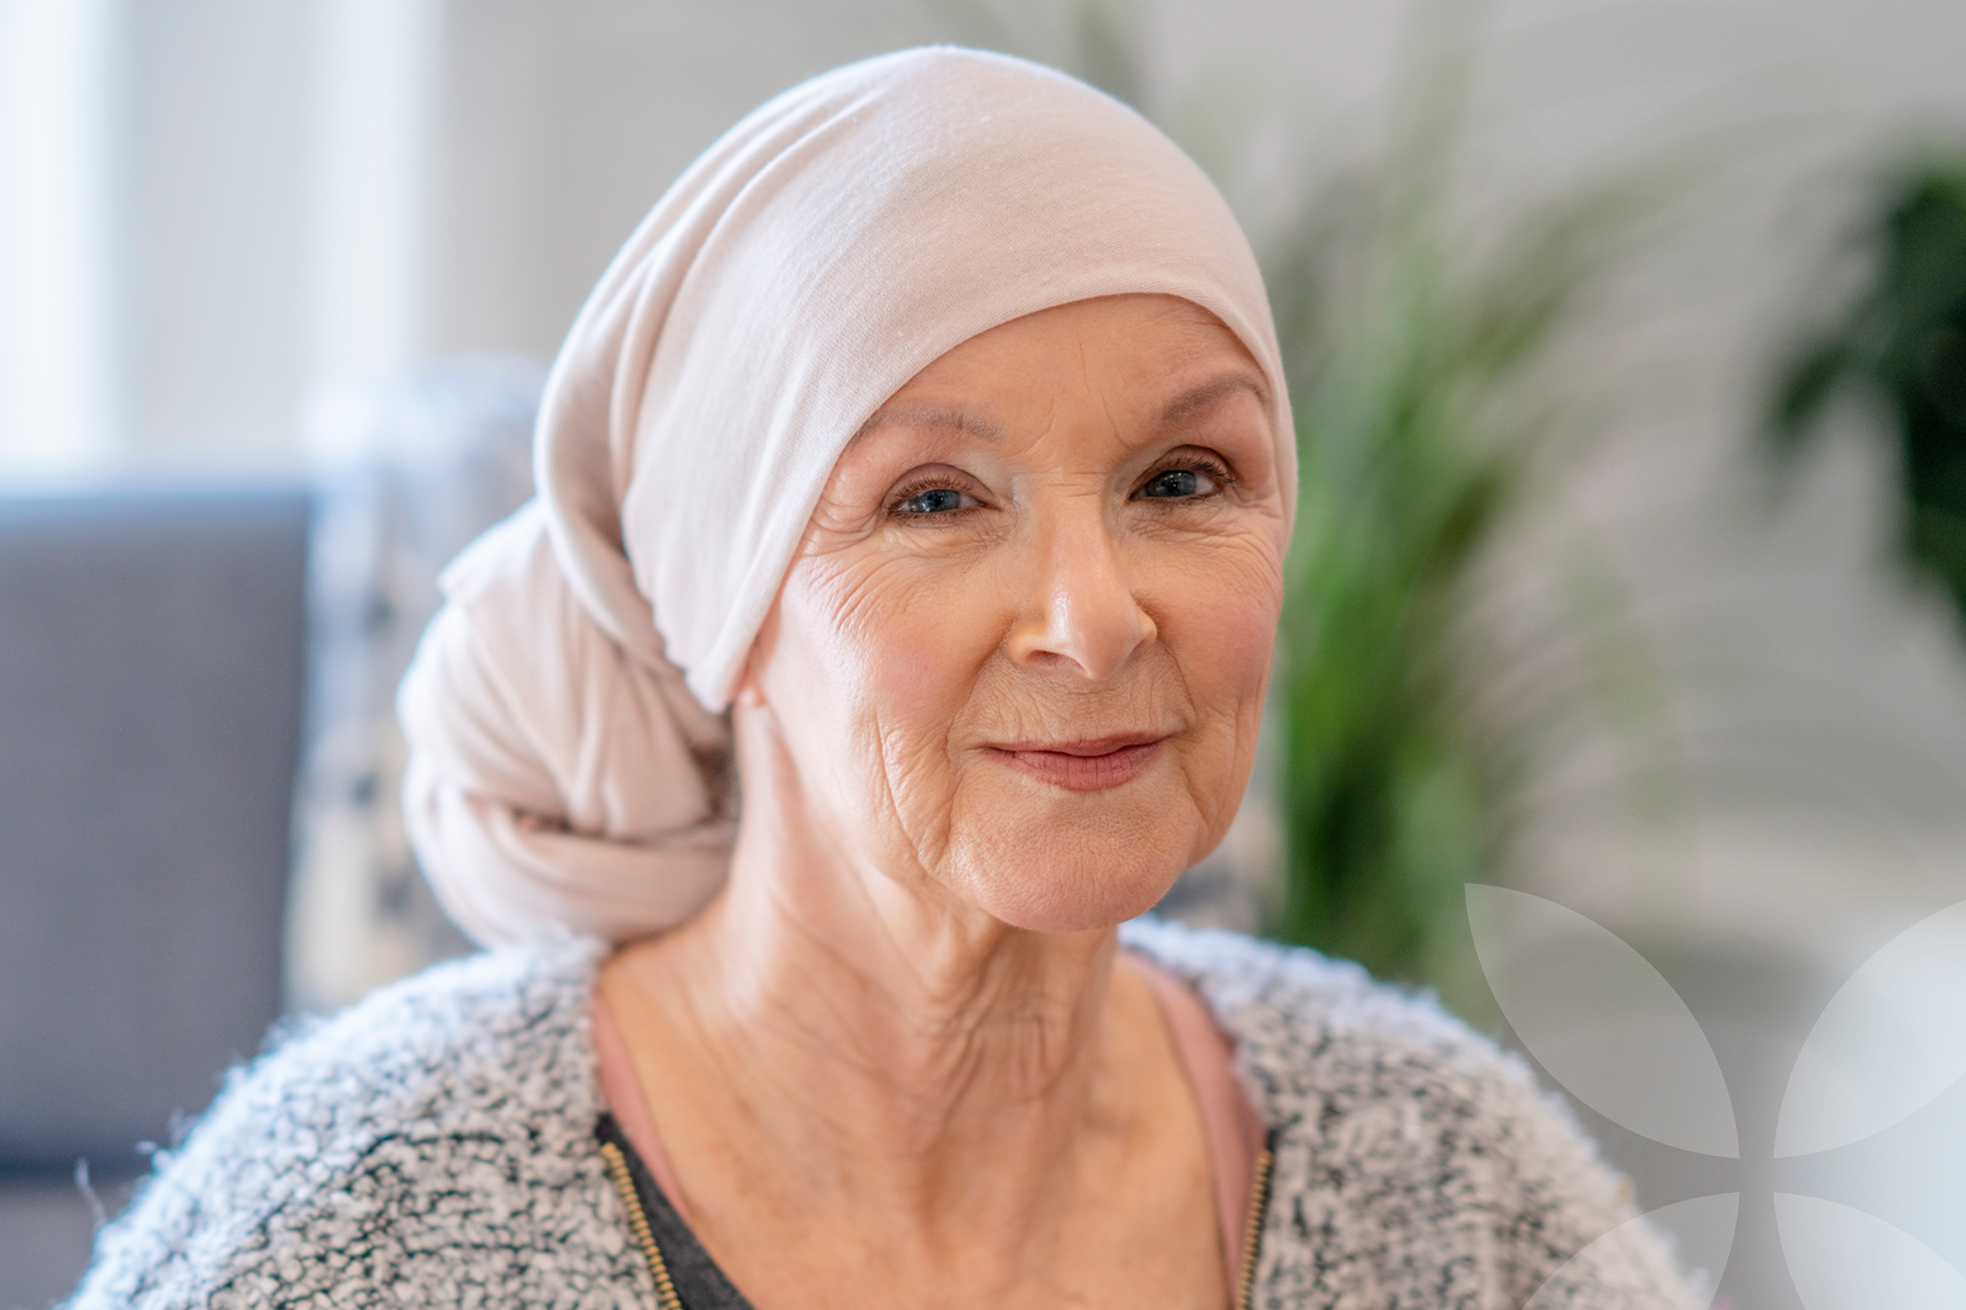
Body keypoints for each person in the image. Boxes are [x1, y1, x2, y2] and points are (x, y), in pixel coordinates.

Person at [70, 48, 1696, 1310]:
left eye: (1184, 478)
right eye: (933, 500)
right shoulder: (347, 1220)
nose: (1094, 615)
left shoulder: (1451, 1180)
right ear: (726, 601)